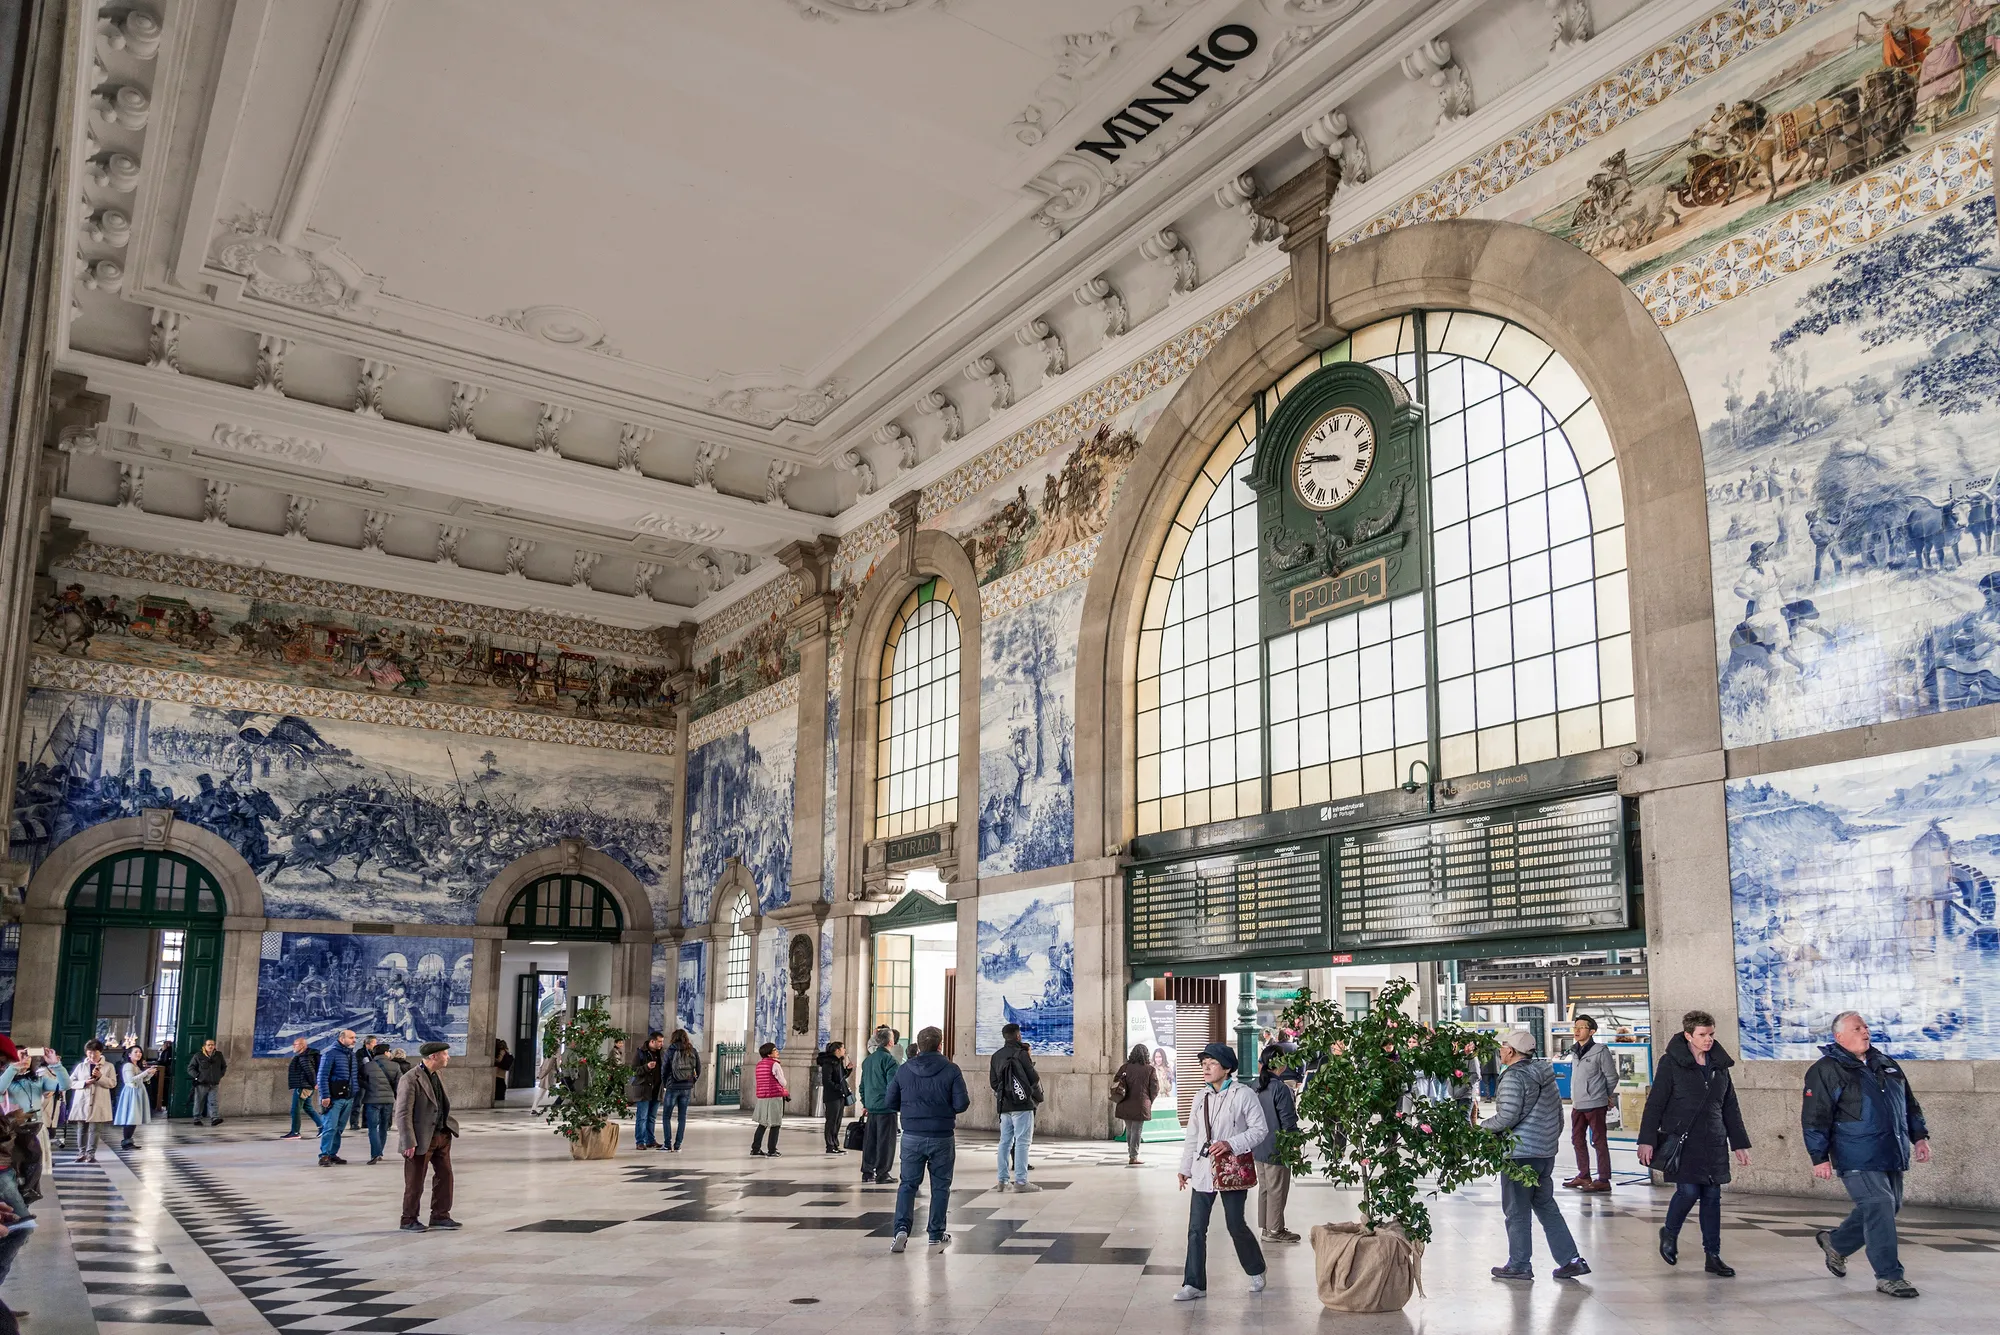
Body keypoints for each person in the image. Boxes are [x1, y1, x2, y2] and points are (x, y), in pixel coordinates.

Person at [1802, 1011, 1931, 1300]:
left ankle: (1836, 1243)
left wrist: (1920, 1137)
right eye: (1857, 1027)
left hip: (1890, 1150)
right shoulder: (1825, 1070)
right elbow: (1815, 1117)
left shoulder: (1886, 1063)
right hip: (1855, 1153)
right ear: (1839, 1037)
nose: (1865, 1031)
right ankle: (1889, 1276)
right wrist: (1818, 1156)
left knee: (1888, 1206)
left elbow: (1909, 1105)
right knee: (1880, 1203)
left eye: (1865, 1026)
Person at [1638, 1010, 1752, 1276]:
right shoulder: (1671, 1063)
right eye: (1702, 1035)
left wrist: (1739, 1144)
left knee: (1712, 1197)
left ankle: (1713, 1255)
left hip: (1713, 1140)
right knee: (1688, 1192)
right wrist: (1647, 1140)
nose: (1708, 1039)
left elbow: (1730, 1107)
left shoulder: (1719, 1065)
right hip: (1683, 1141)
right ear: (1688, 1035)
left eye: (1711, 1034)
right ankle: (1670, 1231)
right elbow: (1655, 1104)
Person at [1482, 1029, 1590, 1282]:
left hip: (1519, 1153)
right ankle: (1571, 1260)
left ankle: (1519, 1264)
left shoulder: (1513, 1077)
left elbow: (1507, 1117)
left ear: (1510, 1051)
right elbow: (1556, 1117)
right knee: (1545, 1206)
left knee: (1516, 1210)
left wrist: (1478, 1129)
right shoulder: (1546, 1076)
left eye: (1502, 1047)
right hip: (1544, 1152)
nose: (1500, 1052)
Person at [1174, 1043, 1268, 1301]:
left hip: (1230, 1170)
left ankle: (1256, 1269)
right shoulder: (1199, 1096)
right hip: (1203, 1170)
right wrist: (1185, 1168)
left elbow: (1260, 1130)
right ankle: (1194, 1284)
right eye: (1203, 1063)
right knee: (1195, 1228)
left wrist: (1230, 1143)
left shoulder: (1243, 1094)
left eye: (1212, 1063)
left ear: (1227, 1068)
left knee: (1235, 1224)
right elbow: (1192, 1136)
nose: (1206, 1068)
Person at [885, 1026, 969, 1255]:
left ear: (919, 1046)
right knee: (940, 1186)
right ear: (940, 1045)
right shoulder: (951, 1069)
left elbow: (890, 1101)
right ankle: (935, 1235)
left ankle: (901, 1230)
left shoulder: (904, 1070)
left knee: (907, 1185)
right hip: (942, 1135)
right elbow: (962, 1104)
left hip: (912, 1135)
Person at [394, 1041, 461, 1232]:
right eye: (445, 1054)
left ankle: (440, 1215)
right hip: (421, 1138)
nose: (448, 1057)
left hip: (441, 1134)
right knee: (415, 1181)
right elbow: (402, 1113)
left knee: (445, 1176)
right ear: (434, 1056)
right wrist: (408, 1141)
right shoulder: (410, 1079)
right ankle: (408, 1219)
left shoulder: (437, 1074)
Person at [1564, 1015, 1620, 1193]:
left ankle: (1603, 1179)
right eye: (1575, 1027)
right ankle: (1583, 1174)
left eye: (1582, 1027)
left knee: (1598, 1141)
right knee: (1577, 1140)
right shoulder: (1574, 1051)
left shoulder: (1600, 1051)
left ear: (1592, 1031)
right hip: (1577, 1103)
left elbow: (1612, 1076)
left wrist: (1605, 1094)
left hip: (1595, 1103)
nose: (1577, 1030)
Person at [1251, 1045, 1300, 1244]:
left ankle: (1265, 1227)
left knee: (1264, 1188)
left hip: (1258, 1146)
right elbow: (1288, 1121)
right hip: (1277, 1146)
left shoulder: (1255, 1086)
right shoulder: (1281, 1089)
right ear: (1279, 1064)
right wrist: (1294, 1146)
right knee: (1277, 1189)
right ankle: (1276, 1230)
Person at [989, 1023, 1042, 1193]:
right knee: (1022, 1142)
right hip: (1022, 1105)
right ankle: (1021, 1181)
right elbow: (1033, 1078)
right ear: (1018, 1036)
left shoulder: (996, 1056)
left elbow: (993, 1083)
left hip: (1004, 1105)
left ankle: (1003, 1181)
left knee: (1005, 1141)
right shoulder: (1021, 1054)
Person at [858, 1026, 901, 1184]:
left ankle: (867, 1172)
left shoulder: (868, 1060)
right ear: (891, 1042)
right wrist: (896, 1104)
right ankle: (883, 1173)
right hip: (885, 1108)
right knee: (885, 1142)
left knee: (870, 1141)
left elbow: (862, 1086)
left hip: (871, 1107)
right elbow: (893, 1086)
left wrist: (865, 1103)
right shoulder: (890, 1060)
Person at [316, 1029, 361, 1167]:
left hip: (348, 1097)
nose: (354, 1040)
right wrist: (325, 1095)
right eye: (351, 1037)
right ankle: (324, 1155)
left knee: (339, 1128)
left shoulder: (351, 1055)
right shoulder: (330, 1054)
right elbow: (322, 1076)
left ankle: (332, 1153)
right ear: (342, 1039)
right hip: (334, 1097)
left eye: (355, 1037)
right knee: (330, 1127)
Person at [1113, 1042, 1161, 1165]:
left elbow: (1115, 1081)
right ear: (1146, 1054)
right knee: (1137, 1130)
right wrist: (1149, 1100)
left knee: (1129, 1129)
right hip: (1141, 1103)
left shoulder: (1125, 1067)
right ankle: (1133, 1156)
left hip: (1125, 1102)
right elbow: (1154, 1088)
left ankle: (1131, 1153)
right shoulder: (1150, 1069)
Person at [69, 1043, 117, 1164]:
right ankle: (81, 1152)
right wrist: (84, 1083)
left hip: (99, 1100)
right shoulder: (81, 1066)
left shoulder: (109, 1066)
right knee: (81, 1128)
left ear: (100, 1052)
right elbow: (71, 1082)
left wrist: (100, 1077)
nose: (92, 1055)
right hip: (83, 1100)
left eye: (95, 1052)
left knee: (95, 1129)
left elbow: (112, 1083)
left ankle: (91, 1154)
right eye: (89, 1052)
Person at [361, 1040, 403, 1164]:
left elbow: (361, 1080)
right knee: (384, 1127)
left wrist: (368, 1087)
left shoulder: (367, 1066)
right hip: (388, 1100)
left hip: (371, 1100)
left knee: (373, 1127)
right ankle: (380, 1153)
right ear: (385, 1052)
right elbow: (399, 1085)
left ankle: (375, 1153)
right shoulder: (395, 1066)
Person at [662, 1030, 700, 1153]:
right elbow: (698, 1069)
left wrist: (665, 1084)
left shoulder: (670, 1050)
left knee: (666, 1116)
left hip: (672, 1086)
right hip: (686, 1088)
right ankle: (678, 1145)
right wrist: (692, 1081)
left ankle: (667, 1144)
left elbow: (665, 1069)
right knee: (682, 1117)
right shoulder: (692, 1050)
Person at [749, 1042, 789, 1157]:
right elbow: (783, 1082)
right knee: (775, 1123)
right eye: (775, 1050)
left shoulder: (759, 1064)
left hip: (762, 1097)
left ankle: (755, 1148)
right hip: (774, 1096)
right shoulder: (775, 1064)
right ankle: (772, 1150)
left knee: (763, 1123)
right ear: (769, 1054)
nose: (777, 1052)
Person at [629, 1032, 666, 1150]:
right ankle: (640, 1141)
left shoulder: (662, 1053)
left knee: (652, 1117)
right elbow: (633, 1070)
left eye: (662, 1041)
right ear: (652, 1041)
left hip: (657, 1089)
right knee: (642, 1117)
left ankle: (650, 1140)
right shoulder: (641, 1052)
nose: (661, 1044)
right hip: (643, 1089)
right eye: (659, 1041)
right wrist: (646, 1067)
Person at [281, 1037, 322, 1140]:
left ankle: (295, 1132)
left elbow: (310, 1071)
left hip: (303, 1086)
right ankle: (323, 1126)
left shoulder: (304, 1057)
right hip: (306, 1085)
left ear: (302, 1046)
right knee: (307, 1107)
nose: (293, 1047)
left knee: (295, 1109)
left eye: (296, 1045)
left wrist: (314, 1083)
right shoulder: (306, 1055)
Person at [112, 1046, 153, 1150]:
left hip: (138, 1091)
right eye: (136, 1052)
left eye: (140, 1052)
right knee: (131, 1116)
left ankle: (129, 1140)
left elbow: (142, 1079)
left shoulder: (135, 1066)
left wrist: (150, 1074)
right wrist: (146, 1072)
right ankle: (126, 1141)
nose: (138, 1054)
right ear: (129, 1054)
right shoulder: (128, 1066)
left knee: (134, 1117)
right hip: (131, 1092)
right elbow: (130, 1080)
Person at [819, 1040, 853, 1155]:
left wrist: (848, 1070)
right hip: (832, 1096)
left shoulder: (838, 1062)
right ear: (837, 1050)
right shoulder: (828, 1063)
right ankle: (830, 1145)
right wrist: (838, 1087)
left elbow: (841, 1077)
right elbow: (827, 1081)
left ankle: (835, 1144)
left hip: (840, 1095)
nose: (844, 1050)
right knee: (831, 1121)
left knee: (837, 1121)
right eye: (843, 1048)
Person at [188, 1038, 227, 1126]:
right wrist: (198, 1076)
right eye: (208, 1045)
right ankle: (197, 1118)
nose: (210, 1046)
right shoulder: (198, 1055)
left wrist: (219, 1075)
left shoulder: (218, 1055)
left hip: (214, 1083)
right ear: (205, 1046)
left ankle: (215, 1118)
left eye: (212, 1045)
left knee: (213, 1101)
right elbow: (190, 1068)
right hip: (202, 1083)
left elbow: (223, 1066)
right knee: (199, 1101)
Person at [492, 1039, 513, 1104]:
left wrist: (492, 1059)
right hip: (503, 1070)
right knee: (502, 1081)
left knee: (498, 1081)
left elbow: (499, 1060)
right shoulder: (507, 1051)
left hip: (499, 1069)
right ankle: (501, 1095)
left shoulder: (502, 1051)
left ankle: (499, 1095)